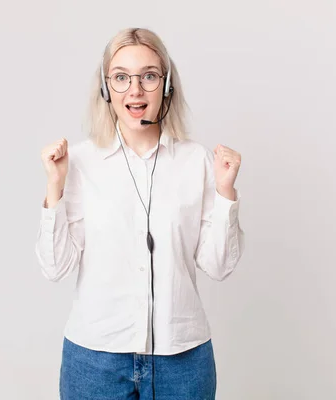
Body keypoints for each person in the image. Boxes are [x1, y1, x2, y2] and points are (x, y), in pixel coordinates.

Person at [35, 27, 244, 400]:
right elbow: (55, 268)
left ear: (166, 86)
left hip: (183, 360)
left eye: (148, 76)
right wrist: (55, 188)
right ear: (106, 89)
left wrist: (226, 193)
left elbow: (219, 267)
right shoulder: (79, 162)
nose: (135, 90)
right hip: (95, 360)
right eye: (120, 77)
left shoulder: (196, 161)